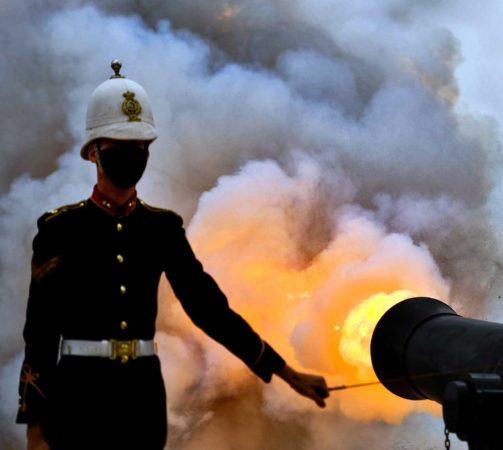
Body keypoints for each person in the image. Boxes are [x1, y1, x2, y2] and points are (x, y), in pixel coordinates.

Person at [16, 60, 329, 450]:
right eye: (120, 147)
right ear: (94, 152)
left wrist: (284, 372)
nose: (133, 155)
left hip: (142, 396)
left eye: (141, 147)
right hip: (79, 395)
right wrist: (35, 426)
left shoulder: (161, 228)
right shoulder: (61, 228)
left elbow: (209, 308)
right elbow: (41, 331)